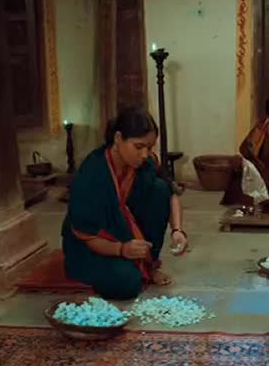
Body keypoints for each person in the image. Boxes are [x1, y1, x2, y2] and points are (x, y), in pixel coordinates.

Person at [61, 108, 188, 300]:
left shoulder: (146, 163)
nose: (145, 154)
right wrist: (121, 249)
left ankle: (149, 263)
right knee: (127, 283)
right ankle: (133, 265)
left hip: (128, 236)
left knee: (160, 189)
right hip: (91, 246)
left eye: (149, 147)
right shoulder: (92, 174)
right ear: (118, 138)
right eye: (138, 147)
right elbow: (86, 232)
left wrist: (177, 231)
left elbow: (171, 195)